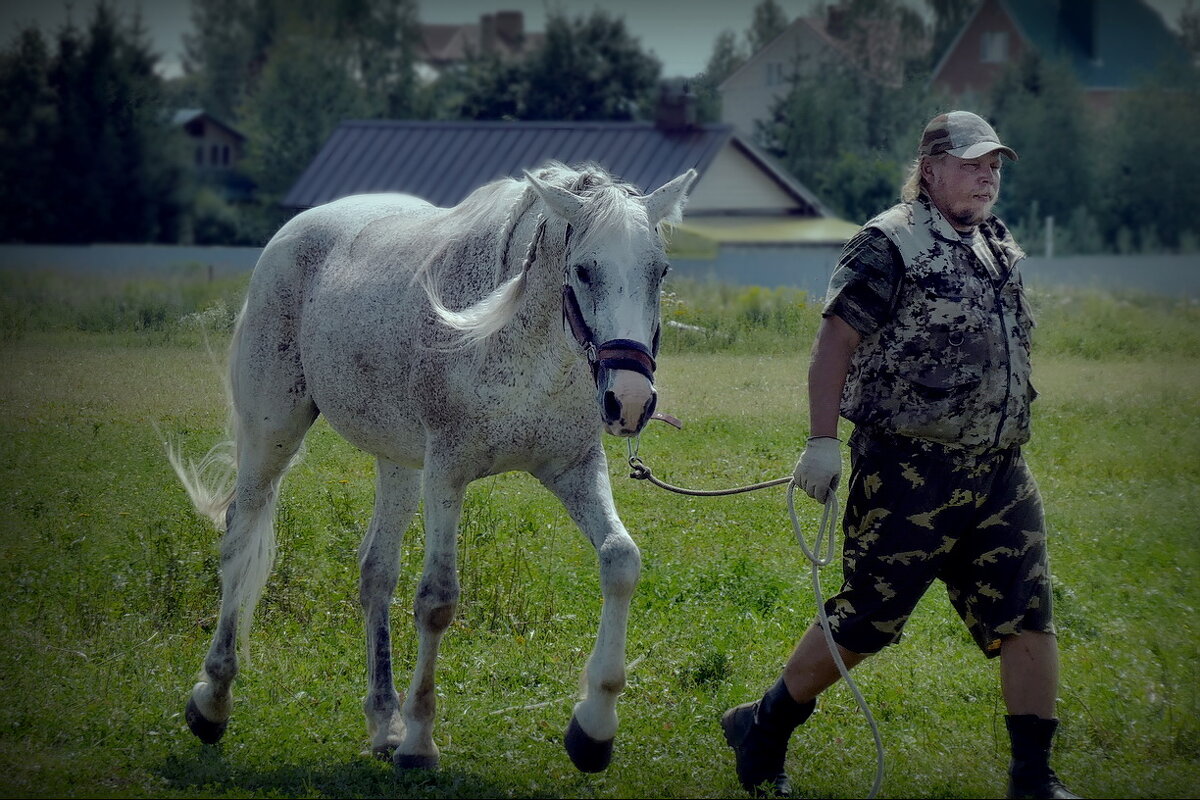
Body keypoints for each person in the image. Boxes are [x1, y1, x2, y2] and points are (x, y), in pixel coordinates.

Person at [721, 111, 1079, 800]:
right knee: (867, 620)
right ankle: (764, 726)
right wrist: (823, 444)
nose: (988, 175)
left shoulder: (996, 243)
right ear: (932, 168)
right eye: (973, 162)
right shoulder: (889, 243)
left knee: (1028, 614)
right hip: (911, 470)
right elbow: (835, 344)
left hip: (1001, 469)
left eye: (995, 164)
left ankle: (1033, 777)